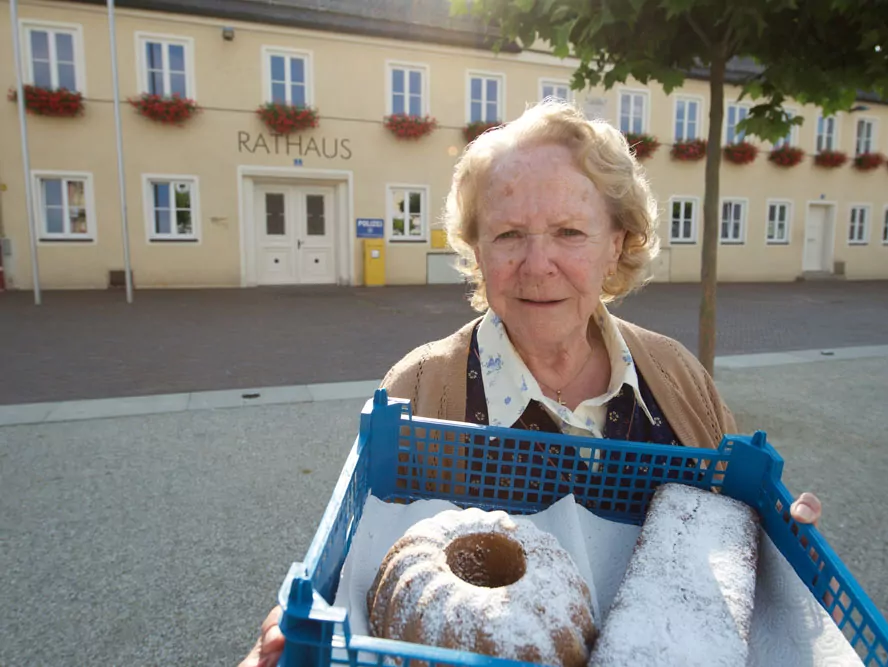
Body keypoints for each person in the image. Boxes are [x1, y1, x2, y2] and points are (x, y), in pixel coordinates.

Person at [239, 100, 822, 667]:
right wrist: (289, 631)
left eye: (569, 232)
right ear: (477, 248)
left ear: (616, 243)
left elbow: (731, 544)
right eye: (509, 234)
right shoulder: (418, 390)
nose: (538, 265)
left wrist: (784, 547)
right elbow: (359, 573)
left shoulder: (679, 378)